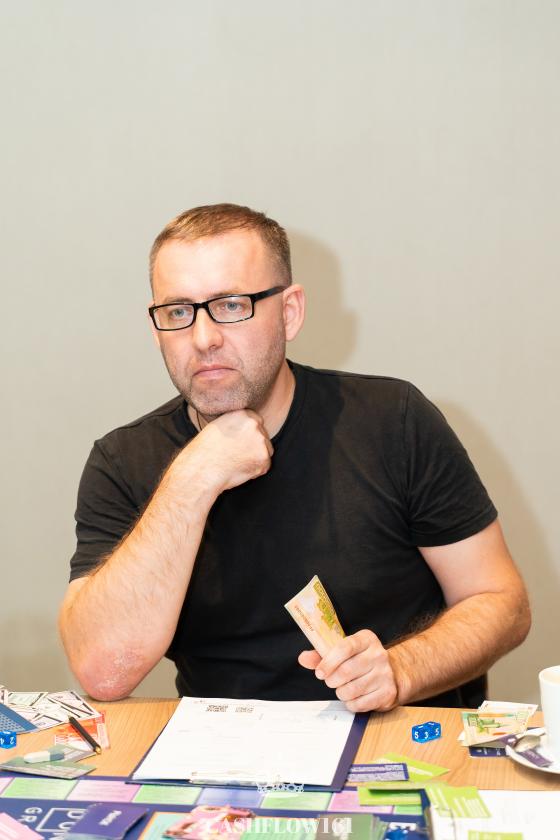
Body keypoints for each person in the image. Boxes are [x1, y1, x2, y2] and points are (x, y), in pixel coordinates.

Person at [58, 203, 530, 711]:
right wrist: (193, 478)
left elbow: (501, 603)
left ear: (289, 312)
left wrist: (403, 669)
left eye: (231, 305)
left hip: (397, 738)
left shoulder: (393, 420)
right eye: (178, 312)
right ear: (156, 329)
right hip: (223, 748)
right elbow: (104, 671)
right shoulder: (122, 461)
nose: (203, 338)